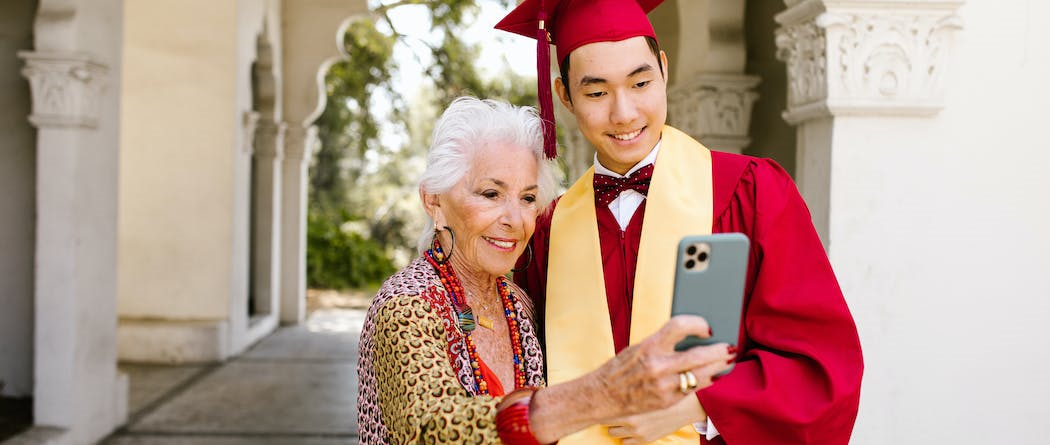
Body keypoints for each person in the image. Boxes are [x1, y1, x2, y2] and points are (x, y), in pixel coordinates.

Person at [496, 1, 865, 444]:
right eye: (596, 93)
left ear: (665, 70)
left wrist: (696, 406)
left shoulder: (752, 193)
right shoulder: (550, 231)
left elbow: (820, 368)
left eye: (641, 82)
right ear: (565, 96)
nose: (625, 113)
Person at [356, 97, 736, 445]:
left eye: (527, 198)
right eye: (491, 194)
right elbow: (430, 428)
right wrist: (601, 393)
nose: (515, 220)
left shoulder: (516, 302)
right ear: (434, 202)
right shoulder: (406, 305)